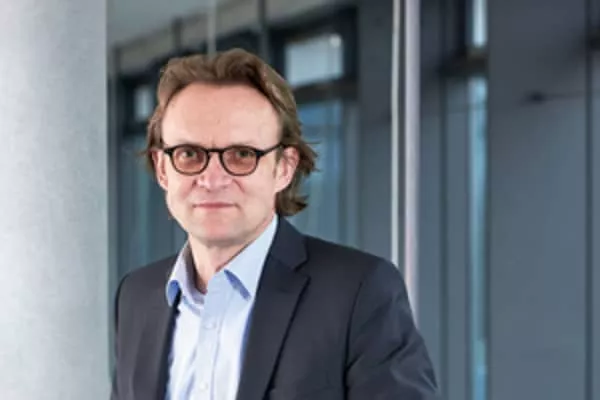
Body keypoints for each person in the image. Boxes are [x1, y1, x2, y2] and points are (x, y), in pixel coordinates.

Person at [110, 48, 438, 400]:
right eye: (189, 154)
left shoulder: (358, 293)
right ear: (162, 169)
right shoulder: (136, 297)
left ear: (284, 168)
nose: (212, 179)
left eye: (242, 155)